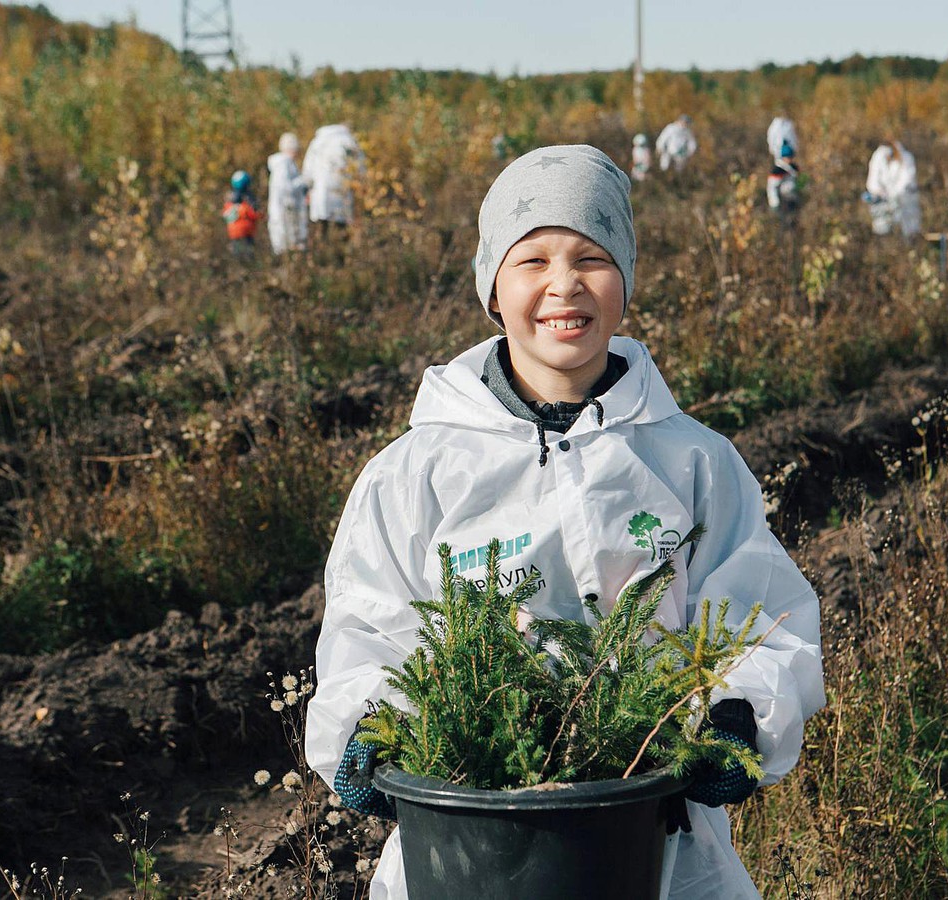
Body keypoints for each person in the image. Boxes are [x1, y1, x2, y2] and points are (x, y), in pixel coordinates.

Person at [306, 144, 826, 900]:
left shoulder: (689, 462)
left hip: (652, 834)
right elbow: (370, 627)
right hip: (470, 838)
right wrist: (370, 729)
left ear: (625, 285)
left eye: (591, 256)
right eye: (532, 261)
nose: (563, 284)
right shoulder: (417, 472)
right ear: (491, 288)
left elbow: (760, 615)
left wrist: (737, 715)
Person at [301, 122, 366, 253]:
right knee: (341, 229)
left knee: (321, 229)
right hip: (342, 195)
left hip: (320, 196)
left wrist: (308, 188)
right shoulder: (349, 141)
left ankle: (322, 260)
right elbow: (360, 169)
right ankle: (339, 261)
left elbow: (307, 171)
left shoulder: (318, 142)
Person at [864, 141, 922, 238]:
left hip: (905, 200)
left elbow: (905, 180)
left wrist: (891, 193)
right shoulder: (879, 157)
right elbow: (872, 181)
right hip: (884, 201)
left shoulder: (906, 158)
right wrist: (879, 192)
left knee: (908, 228)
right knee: (882, 226)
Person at [267, 132, 310, 255]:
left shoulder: (288, 164)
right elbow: (285, 188)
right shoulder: (283, 164)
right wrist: (304, 181)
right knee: (285, 246)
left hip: (287, 212)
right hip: (285, 213)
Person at [222, 170, 260, 259]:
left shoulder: (229, 200)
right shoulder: (249, 199)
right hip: (247, 232)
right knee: (249, 255)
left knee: (238, 255)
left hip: (234, 234)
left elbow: (226, 216)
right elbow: (254, 214)